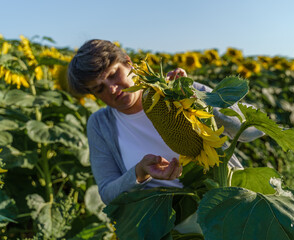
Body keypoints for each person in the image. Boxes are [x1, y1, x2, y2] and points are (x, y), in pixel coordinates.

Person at [67, 39, 263, 232]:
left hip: (226, 207)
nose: (112, 89)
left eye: (113, 75)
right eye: (99, 89)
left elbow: (252, 130)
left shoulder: (177, 92)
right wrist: (139, 172)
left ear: (128, 62)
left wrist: (198, 99)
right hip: (170, 228)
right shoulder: (100, 125)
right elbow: (107, 192)